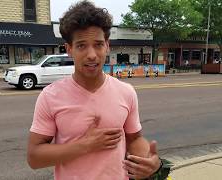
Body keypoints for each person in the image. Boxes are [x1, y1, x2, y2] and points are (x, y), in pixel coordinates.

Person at [27, 1, 161, 180]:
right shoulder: (50, 96)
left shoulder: (126, 92)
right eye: (82, 45)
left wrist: (149, 161)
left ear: (107, 45)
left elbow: (134, 139)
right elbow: (34, 157)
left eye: (98, 44)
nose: (91, 54)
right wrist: (86, 145)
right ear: (69, 49)